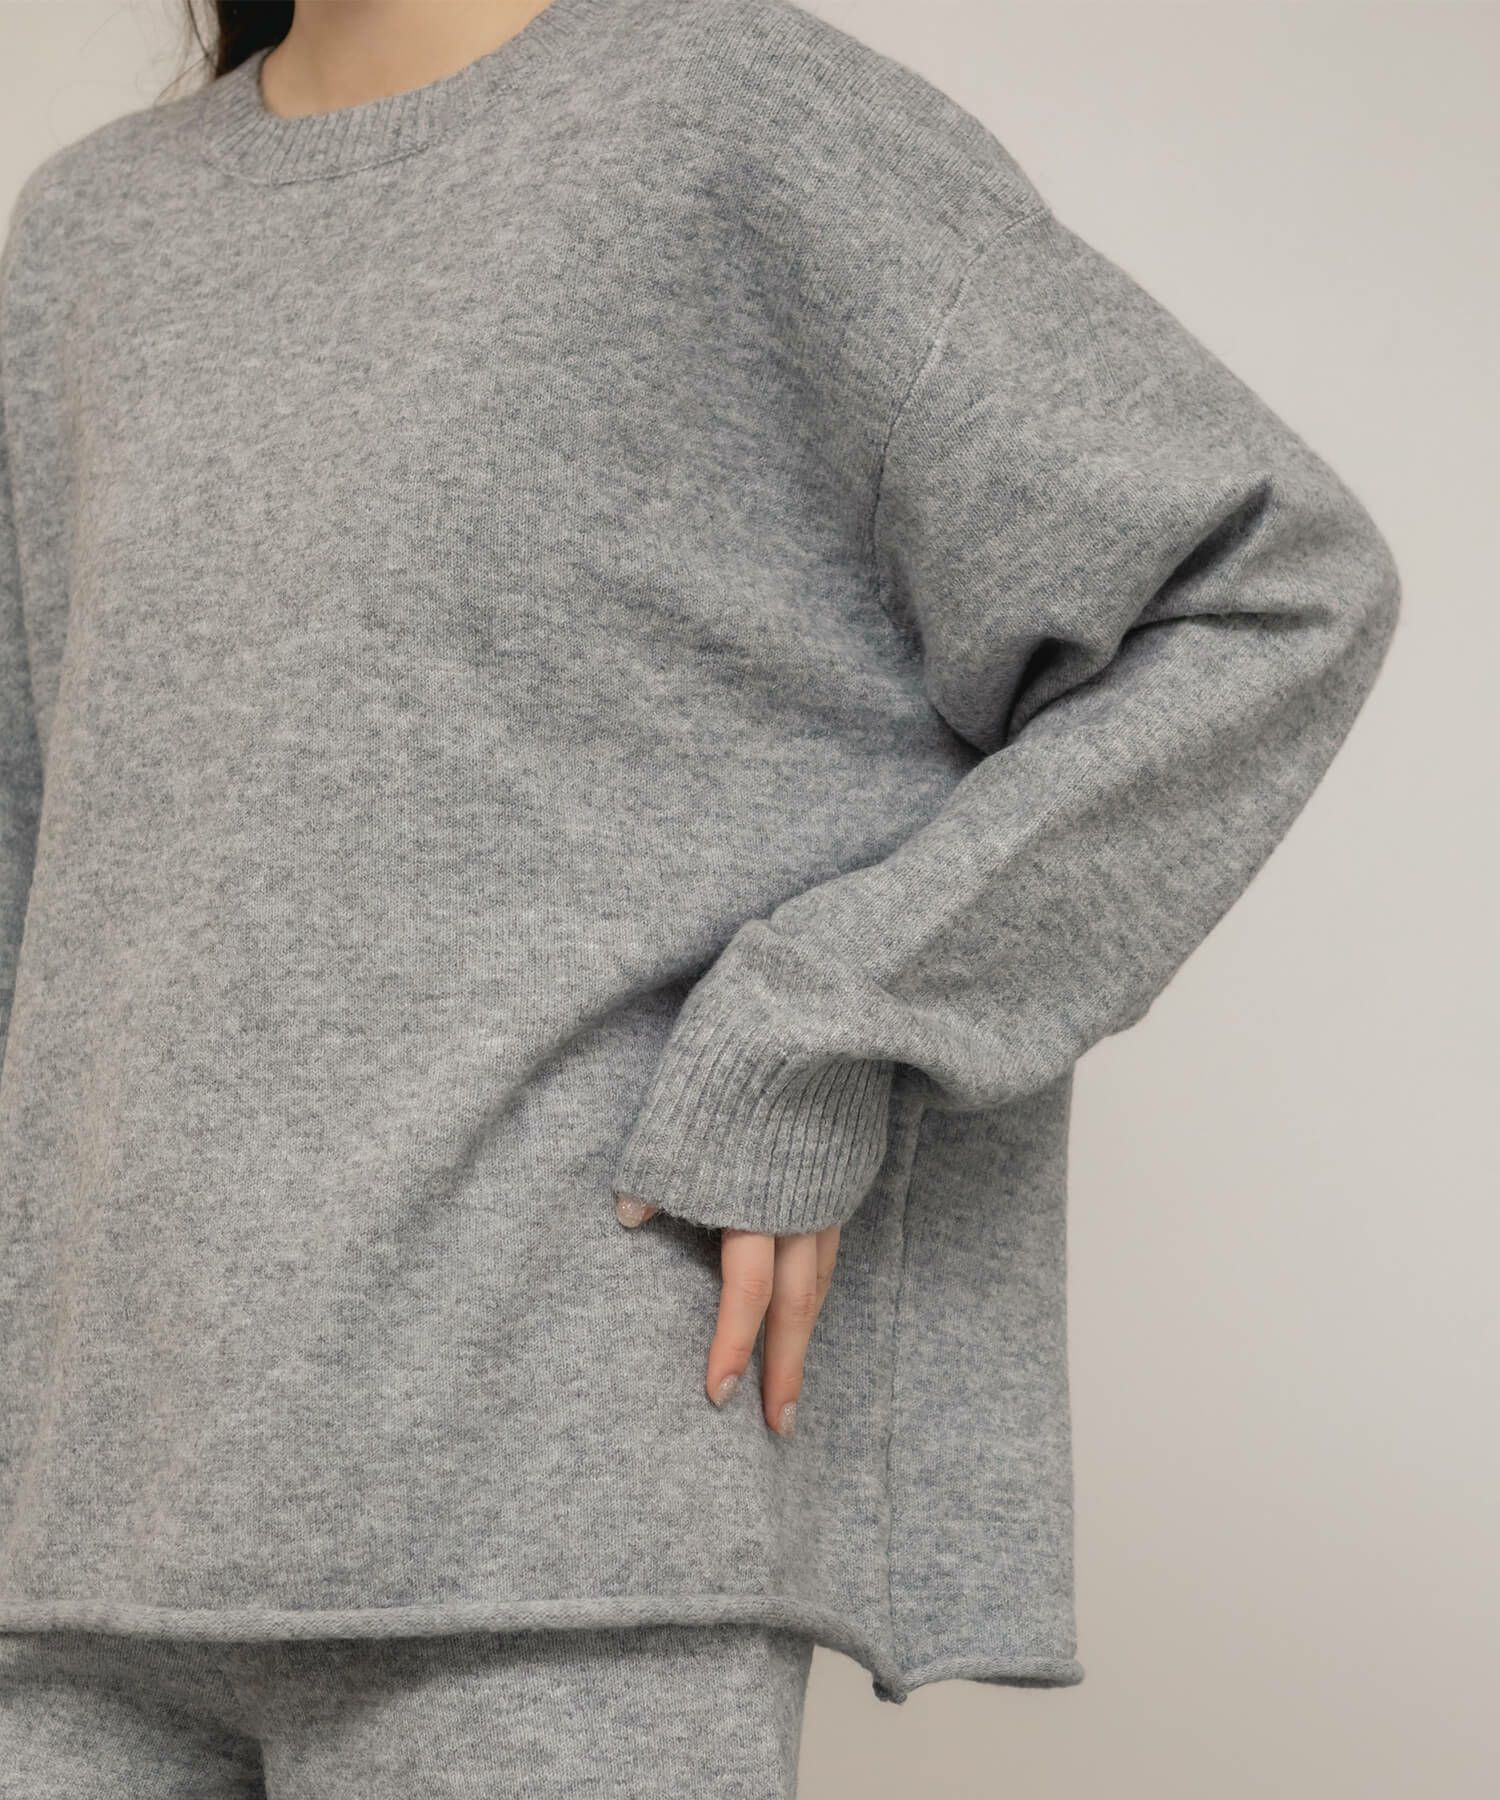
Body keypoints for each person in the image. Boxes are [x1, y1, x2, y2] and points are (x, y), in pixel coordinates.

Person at [0, 0, 1399, 1793]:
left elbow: (1271, 591)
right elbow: (48, 854)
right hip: (75, 1513)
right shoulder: (92, 233)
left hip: (562, 1504)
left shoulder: (729, 119)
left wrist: (822, 1027)